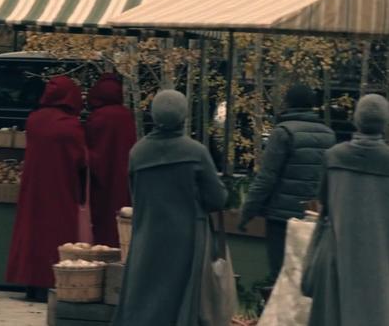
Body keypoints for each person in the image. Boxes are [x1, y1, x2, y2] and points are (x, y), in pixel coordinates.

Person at [112, 90, 227, 326]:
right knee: (181, 299)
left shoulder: (138, 153)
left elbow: (136, 195)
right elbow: (217, 199)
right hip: (187, 239)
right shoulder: (195, 152)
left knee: (144, 295)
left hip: (148, 236)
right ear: (184, 116)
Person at [306, 94, 389, 326]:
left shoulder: (334, 156)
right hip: (380, 257)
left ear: (356, 119)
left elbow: (322, 199)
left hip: (337, 250)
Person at [239, 84, 334, 279]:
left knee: (281, 276)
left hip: (282, 219)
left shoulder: (283, 133)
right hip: (314, 217)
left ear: (288, 103)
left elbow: (267, 178)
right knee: (308, 276)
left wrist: (247, 213)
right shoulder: (328, 135)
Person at [6, 76, 88, 302]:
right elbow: (81, 158)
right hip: (60, 187)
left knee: (32, 233)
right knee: (55, 234)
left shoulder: (34, 120)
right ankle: (50, 281)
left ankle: (30, 283)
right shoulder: (70, 126)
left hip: (33, 187)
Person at [85, 73, 135, 247]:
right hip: (123, 178)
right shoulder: (127, 117)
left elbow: (92, 152)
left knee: (102, 218)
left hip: (100, 181)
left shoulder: (96, 118)